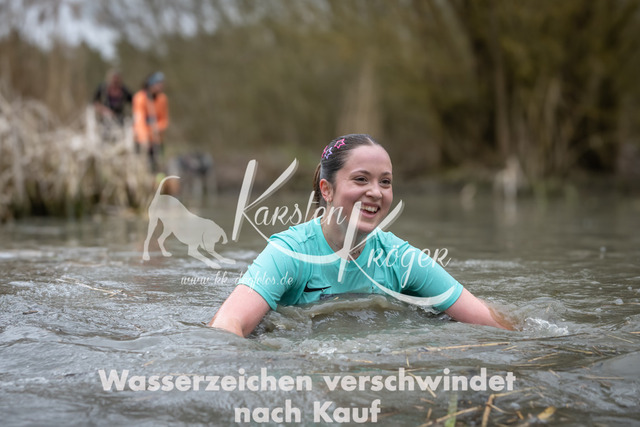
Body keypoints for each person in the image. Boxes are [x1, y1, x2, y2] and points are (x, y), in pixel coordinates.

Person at [209, 134, 514, 337]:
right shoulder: (290, 252)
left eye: (385, 182)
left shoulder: (400, 259)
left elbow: (488, 321)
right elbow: (227, 325)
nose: (375, 192)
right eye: (361, 179)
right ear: (327, 190)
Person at [133, 71, 169, 173]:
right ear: (151, 84)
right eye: (159, 84)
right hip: (142, 141)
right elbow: (139, 121)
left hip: (157, 140)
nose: (161, 86)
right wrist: (144, 139)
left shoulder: (162, 99)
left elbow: (164, 120)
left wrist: (157, 128)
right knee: (142, 167)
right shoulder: (140, 98)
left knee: (158, 167)